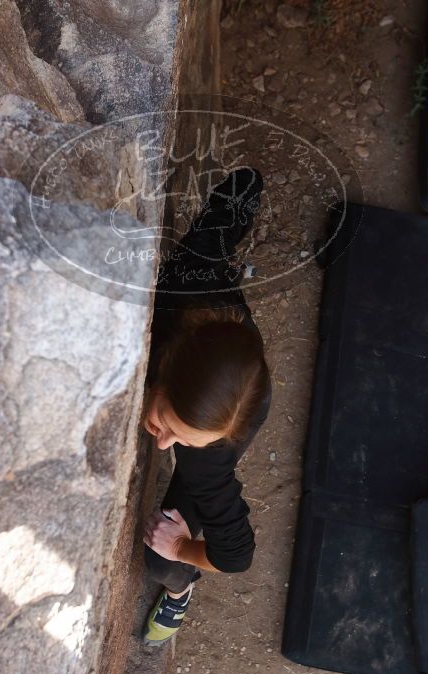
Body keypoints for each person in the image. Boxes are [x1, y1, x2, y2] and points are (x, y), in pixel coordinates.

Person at [141, 166, 272, 646]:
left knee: (160, 560)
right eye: (166, 424)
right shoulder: (181, 282)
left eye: (181, 440)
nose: (164, 444)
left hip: (232, 394)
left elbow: (235, 556)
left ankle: (180, 593)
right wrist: (244, 189)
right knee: (206, 247)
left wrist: (180, 547)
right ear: (163, 370)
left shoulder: (208, 457)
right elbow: (210, 235)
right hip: (210, 344)